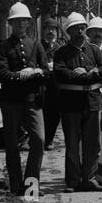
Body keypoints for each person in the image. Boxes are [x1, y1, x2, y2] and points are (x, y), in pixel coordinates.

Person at [0, 2, 51, 199]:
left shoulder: (35, 44)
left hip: (32, 101)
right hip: (11, 101)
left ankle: (31, 185)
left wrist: (36, 71)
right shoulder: (3, 46)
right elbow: (2, 74)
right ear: (11, 23)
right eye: (17, 21)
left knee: (39, 140)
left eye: (24, 21)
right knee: (11, 144)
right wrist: (21, 75)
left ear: (28, 23)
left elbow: (46, 71)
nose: (21, 24)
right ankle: (16, 186)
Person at [53, 12, 102, 192]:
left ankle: (90, 178)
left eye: (82, 28)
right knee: (73, 144)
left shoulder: (93, 50)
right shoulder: (61, 53)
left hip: (92, 102)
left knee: (93, 144)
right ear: (69, 31)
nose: (80, 31)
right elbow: (60, 74)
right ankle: (73, 181)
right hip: (71, 104)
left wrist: (90, 72)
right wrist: (77, 74)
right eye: (75, 29)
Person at [39, 19, 61, 151]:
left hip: (56, 86)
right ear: (43, 31)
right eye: (48, 29)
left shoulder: (60, 48)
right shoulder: (38, 46)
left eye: (53, 30)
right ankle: (40, 139)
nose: (51, 32)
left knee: (54, 114)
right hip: (42, 85)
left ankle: (50, 139)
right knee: (41, 114)